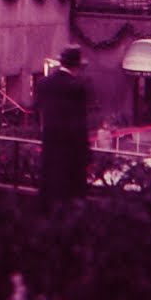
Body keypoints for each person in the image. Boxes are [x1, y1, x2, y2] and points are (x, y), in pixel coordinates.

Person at [33, 46, 92, 209]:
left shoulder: (44, 83)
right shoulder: (77, 87)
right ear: (77, 66)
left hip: (50, 146)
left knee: (50, 192)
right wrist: (86, 152)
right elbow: (81, 122)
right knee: (69, 198)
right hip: (71, 150)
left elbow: (36, 112)